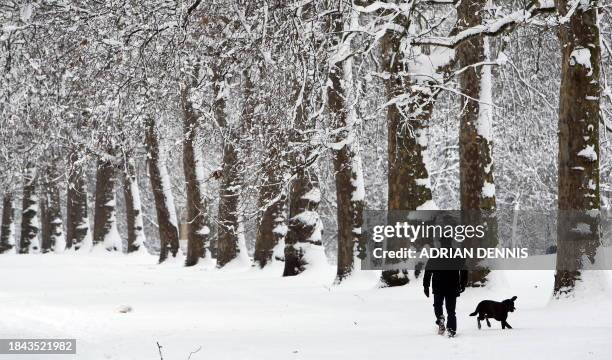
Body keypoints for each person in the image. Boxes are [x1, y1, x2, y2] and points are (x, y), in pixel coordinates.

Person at [422, 238, 468, 338]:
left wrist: (426, 286)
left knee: (437, 305)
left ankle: (440, 319)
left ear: (441, 243)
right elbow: (464, 269)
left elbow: (428, 271)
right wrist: (463, 283)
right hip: (452, 285)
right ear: (451, 242)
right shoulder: (457, 254)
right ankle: (451, 330)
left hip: (438, 285)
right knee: (451, 310)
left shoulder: (435, 254)